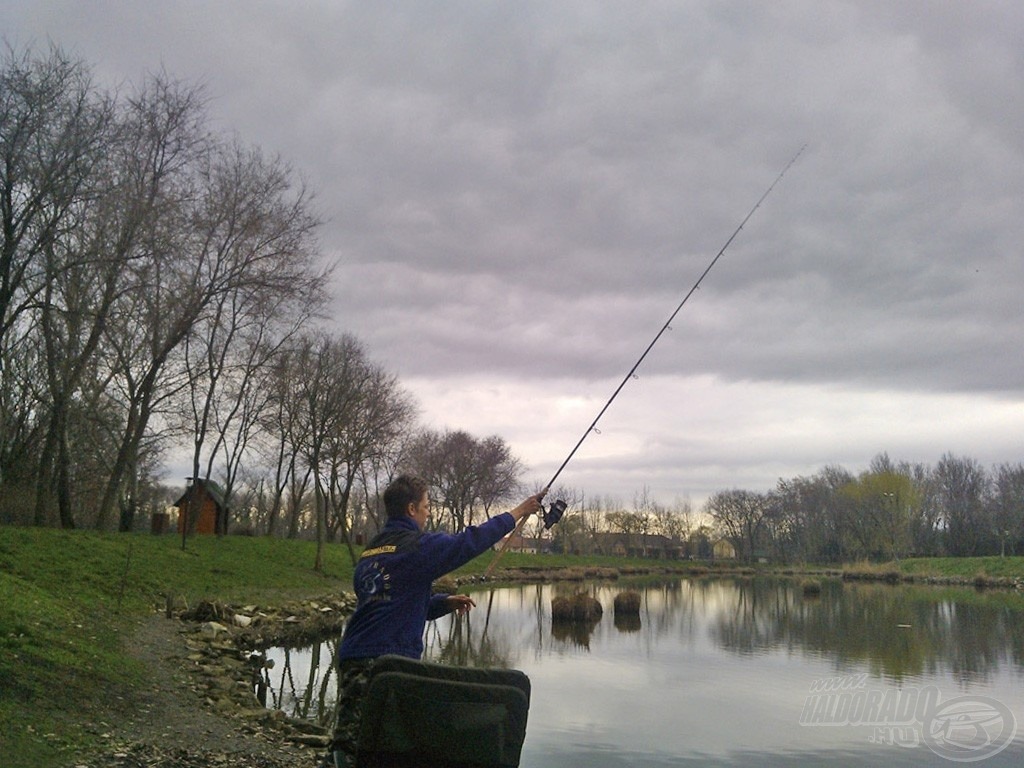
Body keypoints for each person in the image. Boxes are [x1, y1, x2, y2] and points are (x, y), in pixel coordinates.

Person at [321, 474, 546, 768]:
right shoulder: (416, 547)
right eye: (426, 507)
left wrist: (442, 604)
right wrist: (518, 512)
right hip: (383, 661)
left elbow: (389, 603)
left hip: (354, 655)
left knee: (359, 740)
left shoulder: (373, 550)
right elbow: (470, 541)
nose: (428, 514)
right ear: (411, 509)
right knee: (356, 749)